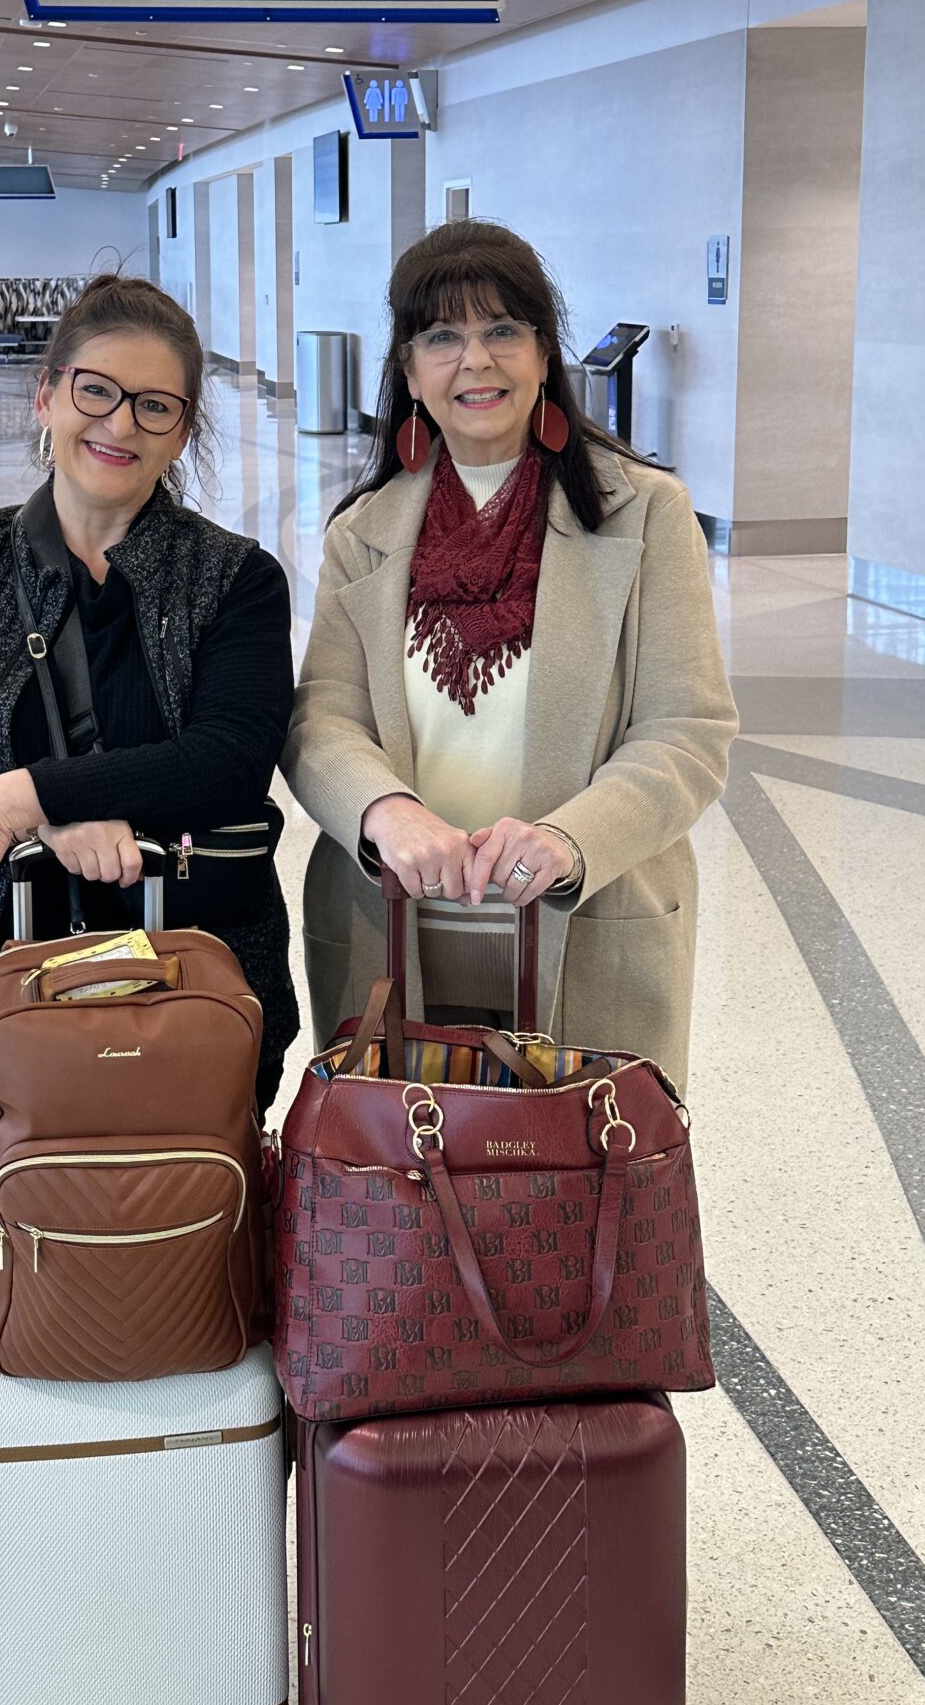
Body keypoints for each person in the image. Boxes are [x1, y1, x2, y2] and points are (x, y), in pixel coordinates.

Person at [0, 274, 299, 1139]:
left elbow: (230, 764)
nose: (120, 425)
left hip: (186, 1006)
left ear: (183, 430)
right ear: (47, 396)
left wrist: (18, 797)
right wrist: (42, 824)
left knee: (179, 1262)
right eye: (96, 391)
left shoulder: (234, 580)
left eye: (154, 406)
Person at [283, 221, 737, 1091]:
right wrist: (385, 812)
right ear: (410, 372)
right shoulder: (364, 532)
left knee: (575, 1205)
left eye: (502, 331)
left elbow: (687, 731)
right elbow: (322, 719)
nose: (475, 361)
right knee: (398, 1208)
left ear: (542, 354)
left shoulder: (644, 515)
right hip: (396, 931)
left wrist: (571, 839)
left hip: (586, 921)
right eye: (442, 338)